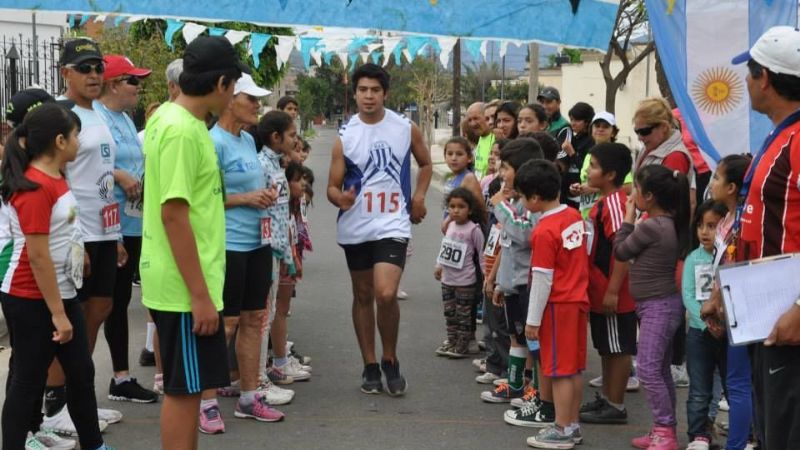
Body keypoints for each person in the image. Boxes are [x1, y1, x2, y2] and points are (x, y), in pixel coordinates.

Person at [139, 35, 244, 450]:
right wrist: (200, 296)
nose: (235, 93)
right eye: (234, 84)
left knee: (190, 388)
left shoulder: (173, 117)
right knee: (184, 394)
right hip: (185, 288)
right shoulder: (182, 130)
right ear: (220, 83)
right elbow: (173, 214)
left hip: (187, 281)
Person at [0, 103, 115, 450]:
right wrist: (59, 314)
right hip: (30, 297)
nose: (81, 141)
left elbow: (63, 233)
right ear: (60, 140)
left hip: (58, 293)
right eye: (76, 135)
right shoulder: (34, 186)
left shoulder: (55, 177)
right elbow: (37, 256)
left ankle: (93, 444)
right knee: (28, 381)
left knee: (81, 373)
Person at [327, 63, 432, 396]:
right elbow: (331, 187)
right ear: (355, 94)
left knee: (385, 293)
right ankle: (370, 364)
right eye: (362, 90)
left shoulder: (404, 127)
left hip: (393, 222)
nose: (368, 96)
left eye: (375, 90)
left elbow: (426, 163)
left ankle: (390, 358)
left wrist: (418, 196)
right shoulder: (345, 136)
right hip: (356, 226)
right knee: (363, 295)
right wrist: (340, 198)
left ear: (385, 93)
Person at [718, 26, 800, 449]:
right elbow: (749, 221)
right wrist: (724, 290)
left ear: (764, 77)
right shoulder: (780, 134)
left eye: (750, 74)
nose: (746, 83)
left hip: (789, 318)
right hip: (763, 315)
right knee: (771, 431)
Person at [43, 38, 125, 434]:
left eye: (98, 68)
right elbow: (55, 177)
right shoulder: (59, 114)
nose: (94, 75)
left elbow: (103, 175)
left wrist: (117, 234)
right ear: (66, 74)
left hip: (106, 229)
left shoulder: (100, 114)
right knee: (72, 321)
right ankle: (55, 406)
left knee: (101, 309)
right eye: (85, 68)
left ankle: (81, 398)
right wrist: (75, 238)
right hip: (77, 233)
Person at [197, 73, 285, 434]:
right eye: (251, 98)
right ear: (231, 98)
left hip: (257, 243)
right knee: (226, 323)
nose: (257, 106)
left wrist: (264, 195)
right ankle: (206, 402)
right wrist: (247, 199)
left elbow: (252, 186)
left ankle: (249, 397)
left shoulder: (249, 141)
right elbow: (202, 200)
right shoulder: (211, 142)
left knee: (253, 319)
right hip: (227, 246)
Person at [94, 54, 159, 404]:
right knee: (110, 303)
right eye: (133, 80)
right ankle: (117, 377)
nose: (139, 87)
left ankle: (122, 377)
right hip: (111, 223)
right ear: (114, 84)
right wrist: (118, 175)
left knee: (122, 299)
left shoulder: (124, 116)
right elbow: (91, 167)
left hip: (135, 220)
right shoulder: (96, 118)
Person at [514, 159, 589, 449]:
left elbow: (542, 278)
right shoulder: (572, 215)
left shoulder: (544, 231)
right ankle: (571, 424)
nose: (521, 200)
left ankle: (562, 428)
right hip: (577, 300)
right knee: (572, 368)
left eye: (522, 196)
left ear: (534, 197)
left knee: (557, 370)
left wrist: (533, 320)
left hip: (557, 305)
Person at [615, 164, 691, 450]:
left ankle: (665, 432)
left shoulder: (651, 226)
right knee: (658, 369)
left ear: (649, 196)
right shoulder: (669, 222)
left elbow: (621, 250)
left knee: (647, 369)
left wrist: (627, 218)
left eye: (636, 188)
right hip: (662, 305)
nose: (632, 193)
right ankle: (664, 427)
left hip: (657, 306)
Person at [482, 139, 543, 406]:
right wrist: (498, 282)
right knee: (515, 336)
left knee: (532, 341)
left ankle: (537, 390)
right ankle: (516, 384)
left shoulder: (529, 203)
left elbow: (524, 234)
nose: (501, 173)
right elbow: (506, 245)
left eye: (505, 167)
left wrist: (501, 207)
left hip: (525, 283)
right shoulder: (513, 201)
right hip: (511, 282)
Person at [579, 143, 636, 427]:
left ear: (611, 174)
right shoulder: (603, 202)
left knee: (618, 348)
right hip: (600, 289)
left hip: (614, 292)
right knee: (606, 347)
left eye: (595, 166)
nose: (589, 170)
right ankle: (607, 398)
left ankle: (616, 404)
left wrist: (613, 290)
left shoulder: (615, 204)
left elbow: (621, 250)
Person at [703, 154, 753, 450]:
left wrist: (717, 301)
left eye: (718, 178)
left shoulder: (741, 223)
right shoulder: (727, 219)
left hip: (739, 308)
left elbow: (733, 267)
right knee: (739, 382)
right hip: (728, 304)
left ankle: (739, 443)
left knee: (738, 383)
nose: (713, 183)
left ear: (733, 187)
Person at [258, 111, 310, 386]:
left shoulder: (276, 165)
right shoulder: (262, 166)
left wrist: (288, 253)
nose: (294, 140)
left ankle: (266, 371)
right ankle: (258, 379)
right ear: (275, 137)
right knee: (262, 317)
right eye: (291, 135)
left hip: (277, 250)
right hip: (264, 249)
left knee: (270, 313)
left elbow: (282, 215)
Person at [681, 200, 728, 450]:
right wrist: (705, 322)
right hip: (700, 333)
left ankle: (738, 429)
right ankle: (698, 434)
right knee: (699, 387)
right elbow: (688, 295)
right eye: (700, 225)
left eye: (711, 226)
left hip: (727, 333)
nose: (704, 232)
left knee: (729, 385)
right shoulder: (693, 259)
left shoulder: (729, 256)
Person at [433, 188, 485, 357]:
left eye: (461, 206)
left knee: (463, 315)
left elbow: (482, 254)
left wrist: (485, 276)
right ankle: (452, 340)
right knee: (450, 313)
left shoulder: (474, 230)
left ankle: (462, 345)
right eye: (452, 206)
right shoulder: (450, 226)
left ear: (470, 209)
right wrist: (438, 265)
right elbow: (445, 247)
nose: (455, 210)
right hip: (447, 279)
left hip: (465, 281)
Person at [558, 102, 595, 209]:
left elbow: (586, 168)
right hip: (568, 194)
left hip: (583, 197)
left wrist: (572, 153)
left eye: (577, 120)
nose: (573, 123)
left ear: (587, 122)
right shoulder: (573, 139)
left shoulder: (591, 141)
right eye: (571, 120)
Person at [441, 137, 484, 222]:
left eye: (459, 154)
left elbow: (482, 208)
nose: (454, 158)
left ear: (469, 158)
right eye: (449, 154)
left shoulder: (469, 178)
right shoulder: (450, 177)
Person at [466, 102, 496, 179]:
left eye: (476, 118)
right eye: (469, 120)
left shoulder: (496, 139)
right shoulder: (481, 137)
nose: (472, 123)